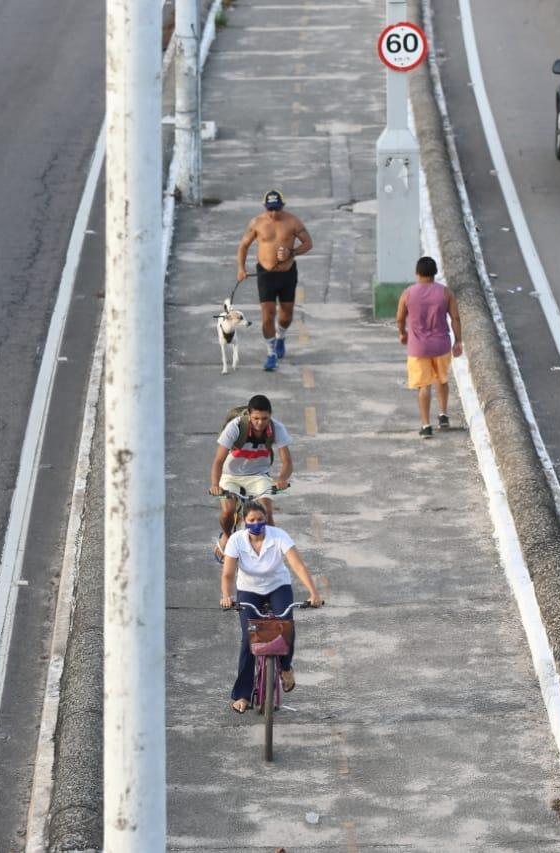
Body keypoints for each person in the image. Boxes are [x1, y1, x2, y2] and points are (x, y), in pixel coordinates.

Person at [219, 502, 323, 713]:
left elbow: (297, 565)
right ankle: (242, 694)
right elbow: (228, 574)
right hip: (248, 589)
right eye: (252, 520)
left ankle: (285, 668)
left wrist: (314, 593)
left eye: (260, 520)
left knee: (286, 626)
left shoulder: (278, 536)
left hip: (278, 586)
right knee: (249, 638)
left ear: (266, 519)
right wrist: (226, 596)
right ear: (244, 522)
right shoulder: (236, 540)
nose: (256, 524)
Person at [208, 394, 293, 561]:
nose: (260, 423)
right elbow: (218, 461)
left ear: (270, 415)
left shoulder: (276, 428)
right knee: (227, 511)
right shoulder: (236, 427)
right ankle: (227, 536)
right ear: (248, 414)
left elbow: (287, 462)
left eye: (264, 418)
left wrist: (281, 479)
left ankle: (274, 554)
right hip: (231, 475)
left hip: (258, 475)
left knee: (267, 513)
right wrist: (215, 484)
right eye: (255, 418)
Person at [235, 189, 313, 371]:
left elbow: (308, 243)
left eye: (277, 209)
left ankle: (281, 336)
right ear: (265, 208)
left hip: (287, 273)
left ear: (282, 207)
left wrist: (291, 252)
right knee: (268, 313)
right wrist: (241, 268)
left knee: (286, 315)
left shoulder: (292, 221)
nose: (273, 213)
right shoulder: (257, 223)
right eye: (270, 209)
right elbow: (244, 245)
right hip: (266, 274)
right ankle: (271, 353)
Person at [396, 256, 463, 438]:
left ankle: (426, 426)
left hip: (418, 347)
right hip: (441, 345)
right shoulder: (445, 293)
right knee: (442, 380)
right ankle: (443, 415)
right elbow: (455, 318)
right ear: (435, 273)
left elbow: (400, 318)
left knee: (423, 386)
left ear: (417, 273)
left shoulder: (408, 293)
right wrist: (458, 341)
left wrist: (402, 333)